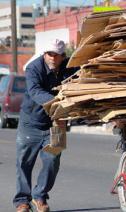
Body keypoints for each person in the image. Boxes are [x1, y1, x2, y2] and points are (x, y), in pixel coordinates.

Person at [13, 39, 77, 212]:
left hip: (57, 124)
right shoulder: (33, 68)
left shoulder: (70, 66)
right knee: (24, 163)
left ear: (63, 56)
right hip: (31, 124)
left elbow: (84, 76)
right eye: (50, 54)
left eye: (57, 55)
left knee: (53, 161)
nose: (52, 58)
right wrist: (57, 101)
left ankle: (39, 196)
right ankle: (21, 201)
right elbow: (34, 91)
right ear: (44, 54)